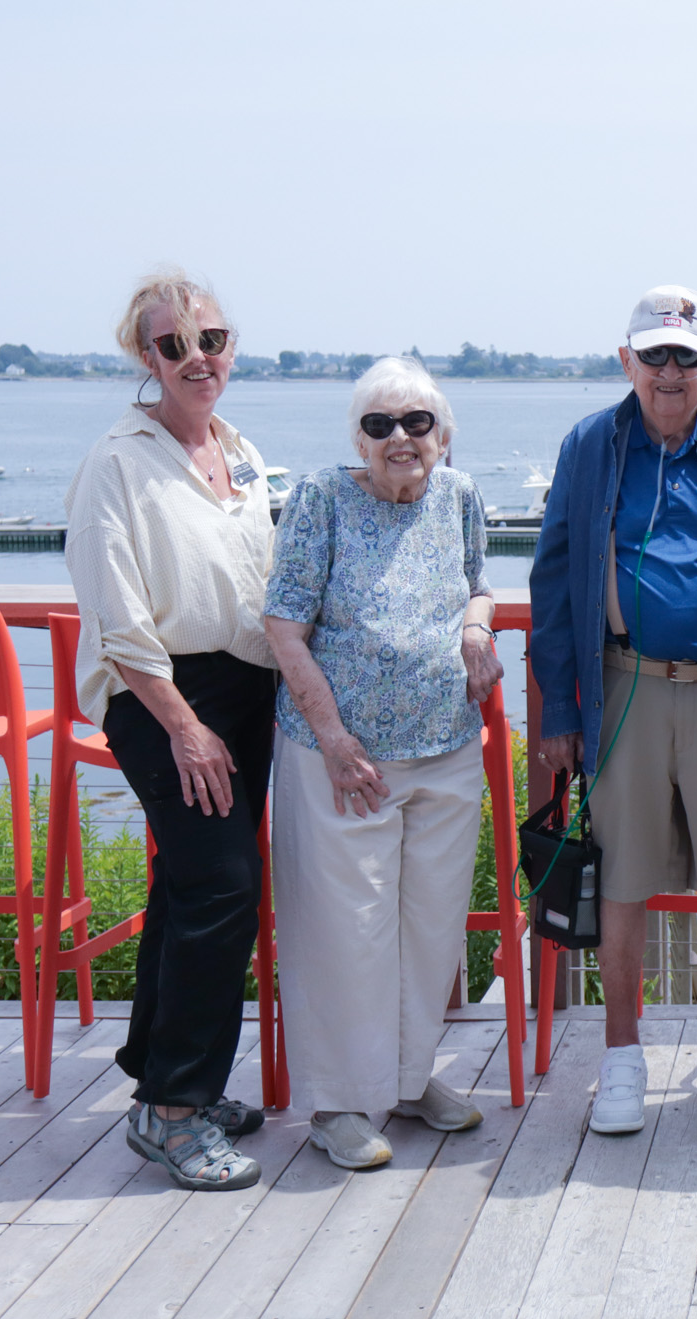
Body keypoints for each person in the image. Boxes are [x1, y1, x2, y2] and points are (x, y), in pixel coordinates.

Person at [528, 285, 697, 1135]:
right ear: (626, 361)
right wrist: (559, 712)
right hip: (625, 688)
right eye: (655, 355)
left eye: (687, 355)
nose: (671, 372)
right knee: (625, 880)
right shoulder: (589, 443)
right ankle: (620, 1058)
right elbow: (550, 581)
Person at [263, 357, 502, 1170]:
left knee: (430, 927)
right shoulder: (322, 499)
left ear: (442, 434)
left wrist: (477, 628)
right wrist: (333, 738)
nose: (400, 439)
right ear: (357, 439)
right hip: (343, 758)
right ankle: (336, 1102)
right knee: (345, 932)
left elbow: (480, 584)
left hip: (445, 744)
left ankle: (406, 1080)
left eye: (416, 423)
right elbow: (284, 624)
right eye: (379, 425)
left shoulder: (459, 494)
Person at [65, 269, 275, 1191]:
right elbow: (118, 619)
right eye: (173, 345)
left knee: (190, 877)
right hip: (161, 695)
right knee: (223, 883)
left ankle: (162, 1075)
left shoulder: (242, 449)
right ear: (143, 357)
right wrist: (185, 727)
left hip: (247, 688)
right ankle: (177, 1111)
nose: (198, 359)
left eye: (213, 340)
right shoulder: (115, 462)